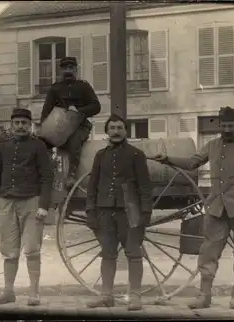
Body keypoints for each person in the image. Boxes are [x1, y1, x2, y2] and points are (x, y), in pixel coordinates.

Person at [154, 106, 234, 310]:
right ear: (219, 126)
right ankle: (204, 296)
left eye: (231, 126)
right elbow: (192, 163)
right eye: (224, 126)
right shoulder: (212, 146)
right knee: (208, 251)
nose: (227, 129)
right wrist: (168, 159)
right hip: (216, 208)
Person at [0, 108, 54, 306]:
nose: (20, 126)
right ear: (11, 125)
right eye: (17, 123)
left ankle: (34, 293)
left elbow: (47, 177)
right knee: (9, 250)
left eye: (24, 123)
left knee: (31, 249)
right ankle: (8, 292)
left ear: (30, 125)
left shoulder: (38, 146)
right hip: (6, 203)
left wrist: (44, 205)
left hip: (31, 202)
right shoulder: (3, 148)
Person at [85, 114, 153, 311]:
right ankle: (106, 296)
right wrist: (90, 210)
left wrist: (145, 213)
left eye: (119, 128)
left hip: (130, 212)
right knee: (107, 254)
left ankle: (135, 297)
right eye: (112, 128)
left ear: (125, 131)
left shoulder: (136, 155)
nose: (116, 131)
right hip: (104, 211)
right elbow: (92, 186)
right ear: (107, 131)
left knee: (134, 253)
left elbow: (145, 187)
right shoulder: (100, 155)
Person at [40, 56, 101, 189]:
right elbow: (46, 111)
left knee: (74, 142)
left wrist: (78, 110)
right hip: (60, 126)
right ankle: (44, 175)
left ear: (76, 70)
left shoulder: (83, 86)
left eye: (71, 68)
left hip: (80, 126)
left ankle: (71, 175)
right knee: (41, 144)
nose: (68, 71)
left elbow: (96, 106)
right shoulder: (55, 89)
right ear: (60, 70)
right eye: (65, 68)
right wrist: (45, 129)